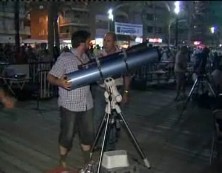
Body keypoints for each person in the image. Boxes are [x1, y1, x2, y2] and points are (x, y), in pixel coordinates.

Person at [47, 30, 94, 169]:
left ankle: (87, 162)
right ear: (82, 42)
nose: (89, 43)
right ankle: (62, 161)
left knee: (88, 134)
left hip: (87, 104)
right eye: (88, 41)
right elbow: (50, 77)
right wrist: (60, 82)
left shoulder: (86, 57)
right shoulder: (65, 58)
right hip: (69, 105)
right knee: (67, 135)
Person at [91, 32, 131, 151]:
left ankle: (110, 146)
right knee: (97, 118)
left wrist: (126, 93)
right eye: (104, 40)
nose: (105, 43)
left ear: (114, 42)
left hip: (116, 90)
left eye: (108, 41)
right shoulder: (99, 55)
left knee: (112, 120)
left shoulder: (121, 55)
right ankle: (98, 142)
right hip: (100, 90)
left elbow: (127, 75)